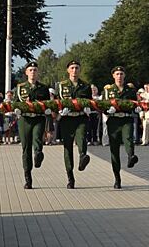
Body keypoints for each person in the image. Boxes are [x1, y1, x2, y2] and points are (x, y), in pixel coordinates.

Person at [14, 61, 50, 189]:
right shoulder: (20, 88)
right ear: (26, 72)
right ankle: (28, 177)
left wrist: (48, 110)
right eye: (30, 70)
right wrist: (16, 109)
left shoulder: (43, 88)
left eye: (35, 70)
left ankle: (38, 154)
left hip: (38, 118)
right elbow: (15, 103)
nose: (33, 72)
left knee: (37, 138)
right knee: (25, 148)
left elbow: (48, 103)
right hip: (25, 119)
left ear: (38, 72)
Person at [57, 60, 92, 189]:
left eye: (77, 68)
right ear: (68, 70)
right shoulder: (61, 85)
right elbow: (56, 101)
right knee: (68, 148)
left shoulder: (85, 86)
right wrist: (59, 110)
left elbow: (90, 101)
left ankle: (83, 157)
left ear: (80, 70)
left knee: (82, 138)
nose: (74, 70)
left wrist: (88, 108)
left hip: (81, 118)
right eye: (72, 68)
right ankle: (70, 177)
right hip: (67, 119)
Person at [103, 66, 139, 189]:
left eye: (121, 74)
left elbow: (135, 103)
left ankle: (131, 156)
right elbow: (102, 106)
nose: (119, 76)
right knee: (114, 150)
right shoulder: (108, 90)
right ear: (113, 76)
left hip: (126, 119)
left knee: (128, 137)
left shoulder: (130, 90)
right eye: (117, 74)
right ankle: (117, 177)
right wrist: (108, 110)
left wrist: (137, 108)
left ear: (124, 76)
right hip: (113, 120)